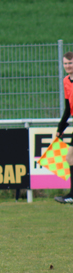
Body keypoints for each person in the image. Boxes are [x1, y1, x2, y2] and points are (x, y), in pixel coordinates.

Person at [54, 52, 73, 204]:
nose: (68, 66)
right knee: (70, 158)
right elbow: (68, 108)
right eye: (65, 63)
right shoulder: (66, 81)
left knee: (70, 157)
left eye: (70, 63)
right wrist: (61, 127)